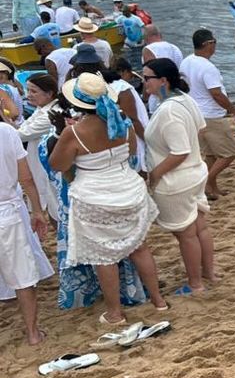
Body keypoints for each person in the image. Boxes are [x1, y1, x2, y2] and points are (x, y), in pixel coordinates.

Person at [48, 73, 168, 324]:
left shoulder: (75, 132)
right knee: (139, 247)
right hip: (128, 188)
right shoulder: (122, 122)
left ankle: (115, 313)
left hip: (95, 195)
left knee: (104, 257)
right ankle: (158, 301)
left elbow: (58, 164)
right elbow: (132, 152)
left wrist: (62, 138)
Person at [142, 58, 216, 294]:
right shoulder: (185, 99)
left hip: (177, 179)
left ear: (163, 80)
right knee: (199, 228)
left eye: (147, 78)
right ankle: (209, 273)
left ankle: (195, 283)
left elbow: (180, 152)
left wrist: (154, 175)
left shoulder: (169, 111)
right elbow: (200, 129)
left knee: (186, 234)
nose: (144, 83)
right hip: (195, 172)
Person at [179, 29, 235, 201]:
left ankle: (212, 189)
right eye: (214, 42)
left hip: (195, 114)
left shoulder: (186, 61)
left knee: (210, 155)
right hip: (211, 116)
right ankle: (206, 182)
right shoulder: (207, 67)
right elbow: (216, 94)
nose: (215, 45)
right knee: (229, 154)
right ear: (207, 44)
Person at [0, 120, 52, 345]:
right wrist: (37, 210)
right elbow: (26, 177)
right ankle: (33, 333)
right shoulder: (7, 131)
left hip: (7, 208)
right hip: (7, 211)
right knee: (23, 277)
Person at [15, 73, 61, 222]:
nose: (29, 95)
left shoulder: (51, 114)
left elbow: (20, 134)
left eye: (34, 91)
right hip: (39, 165)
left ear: (49, 93)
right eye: (28, 91)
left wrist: (3, 116)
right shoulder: (40, 110)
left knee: (55, 206)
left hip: (48, 167)